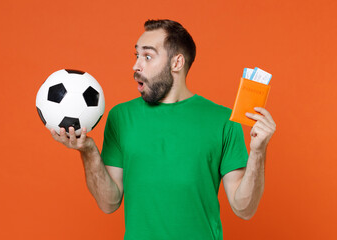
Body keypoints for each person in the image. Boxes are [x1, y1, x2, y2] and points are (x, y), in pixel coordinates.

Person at [51, 19, 276, 240]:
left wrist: (258, 152)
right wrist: (88, 151)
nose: (136, 65)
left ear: (176, 63)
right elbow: (109, 203)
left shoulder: (224, 120)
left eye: (147, 56)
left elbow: (243, 208)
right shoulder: (121, 117)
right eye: (136, 55)